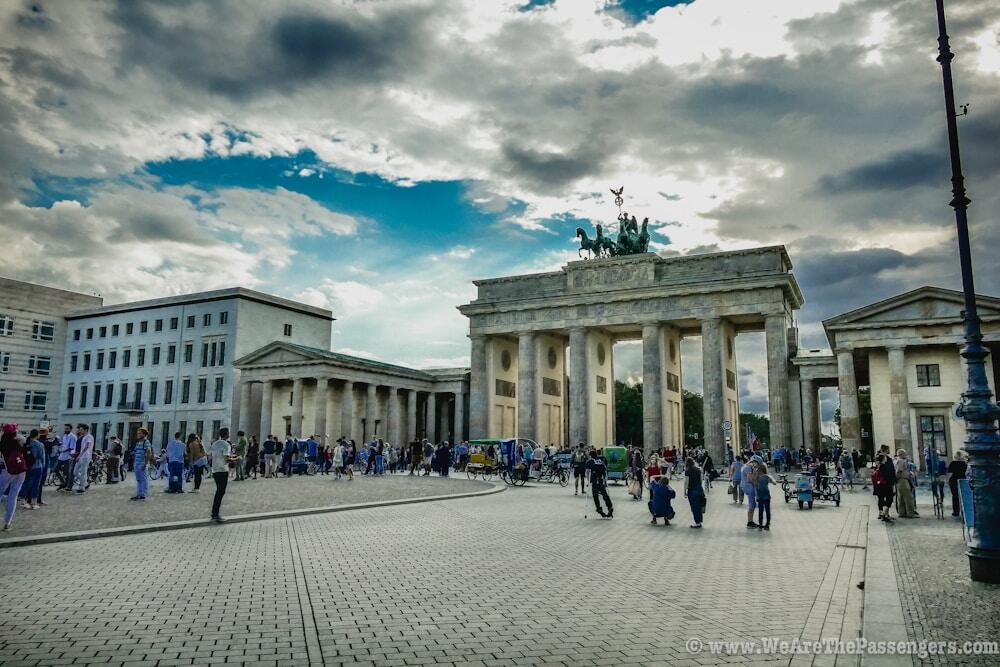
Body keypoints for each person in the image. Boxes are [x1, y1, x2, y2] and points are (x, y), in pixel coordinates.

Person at [0, 425, 29, 531]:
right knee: (13, 496)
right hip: (21, 470)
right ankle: (7, 523)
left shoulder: (3, 442)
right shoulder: (20, 440)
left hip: (8, 471)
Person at [210, 427, 233, 523]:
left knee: (218, 491)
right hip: (223, 470)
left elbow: (211, 456)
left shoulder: (215, 444)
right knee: (221, 491)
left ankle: (214, 512)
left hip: (215, 469)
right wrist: (234, 459)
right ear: (226, 434)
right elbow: (226, 458)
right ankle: (215, 513)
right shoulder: (226, 445)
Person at [19, 429, 45, 509]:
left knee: (25, 483)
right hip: (37, 466)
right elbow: (41, 457)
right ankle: (34, 503)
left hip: (27, 466)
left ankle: (23, 501)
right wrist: (43, 465)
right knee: (35, 484)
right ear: (37, 435)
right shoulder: (40, 444)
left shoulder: (26, 443)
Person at [585, 449, 613, 518]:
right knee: (604, 494)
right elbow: (605, 471)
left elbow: (587, 472)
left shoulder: (589, 462)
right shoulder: (601, 461)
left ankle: (599, 508)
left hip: (594, 481)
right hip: (601, 480)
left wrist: (588, 480)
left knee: (595, 495)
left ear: (591, 455)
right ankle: (610, 507)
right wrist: (605, 480)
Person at [872, 452, 897, 522]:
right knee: (889, 498)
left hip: (878, 485)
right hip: (886, 485)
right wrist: (893, 482)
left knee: (880, 499)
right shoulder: (885, 467)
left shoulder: (876, 466)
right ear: (883, 459)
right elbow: (890, 476)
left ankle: (880, 513)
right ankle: (885, 512)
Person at [131, 428, 153, 501]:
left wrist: (145, 463)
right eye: (138, 433)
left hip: (142, 463)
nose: (138, 434)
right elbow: (135, 452)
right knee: (138, 479)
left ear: (144, 434)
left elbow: (149, 452)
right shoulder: (138, 443)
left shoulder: (146, 442)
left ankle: (142, 494)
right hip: (137, 463)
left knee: (142, 479)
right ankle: (139, 493)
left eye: (140, 433)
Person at [71, 424, 94, 493]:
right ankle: (85, 483)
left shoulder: (89, 437)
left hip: (86, 456)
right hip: (82, 456)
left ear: (85, 430)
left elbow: (86, 447)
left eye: (81, 429)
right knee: (75, 472)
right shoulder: (84, 437)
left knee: (83, 472)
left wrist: (79, 456)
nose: (80, 431)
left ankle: (82, 487)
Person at [683, 457, 705, 529]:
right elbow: (701, 480)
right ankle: (699, 521)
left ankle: (697, 522)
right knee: (699, 506)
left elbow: (686, 482)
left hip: (692, 490)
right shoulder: (698, 470)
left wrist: (684, 491)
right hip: (699, 489)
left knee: (694, 507)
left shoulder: (687, 471)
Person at [895, 451, 917, 518]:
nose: (906, 455)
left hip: (901, 480)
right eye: (905, 454)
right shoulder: (901, 461)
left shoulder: (899, 461)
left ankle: (901, 512)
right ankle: (910, 513)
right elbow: (899, 471)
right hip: (903, 480)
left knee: (901, 498)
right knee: (908, 497)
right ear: (901, 454)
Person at [56, 424, 77, 492]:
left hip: (68, 456)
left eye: (67, 429)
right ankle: (63, 482)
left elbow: (71, 447)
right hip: (61, 456)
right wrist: (60, 445)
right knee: (55, 469)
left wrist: (63, 450)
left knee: (67, 472)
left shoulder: (73, 437)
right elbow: (63, 444)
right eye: (65, 429)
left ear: (70, 429)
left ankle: (68, 485)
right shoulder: (64, 436)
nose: (65, 430)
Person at [755, 466, 777, 530]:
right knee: (767, 510)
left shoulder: (758, 477)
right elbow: (774, 482)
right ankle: (767, 524)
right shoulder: (766, 476)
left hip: (760, 496)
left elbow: (755, 486)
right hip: (766, 495)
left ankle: (761, 524)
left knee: (760, 510)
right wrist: (771, 480)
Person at [947, 450, 968, 518]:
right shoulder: (965, 464)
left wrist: (947, 480)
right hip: (963, 481)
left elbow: (950, 473)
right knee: (963, 497)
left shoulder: (953, 463)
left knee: (955, 496)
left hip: (954, 481)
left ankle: (956, 512)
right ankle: (964, 511)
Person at [740, 456, 757, 528]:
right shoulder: (748, 468)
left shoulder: (745, 466)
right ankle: (750, 522)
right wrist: (756, 483)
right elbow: (750, 479)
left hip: (746, 486)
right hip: (749, 487)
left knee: (752, 504)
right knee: (751, 504)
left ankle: (751, 521)